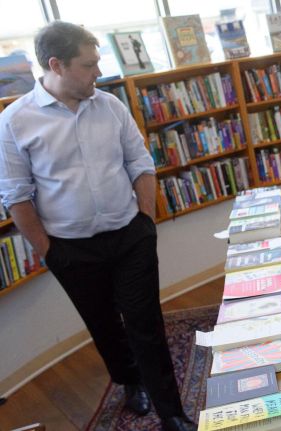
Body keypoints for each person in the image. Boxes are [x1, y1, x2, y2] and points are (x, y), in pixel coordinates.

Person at [0, 22, 194, 431]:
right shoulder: (15, 121)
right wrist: (50, 252)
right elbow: (16, 196)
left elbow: (140, 164)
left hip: (129, 236)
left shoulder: (110, 106)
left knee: (146, 323)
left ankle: (172, 411)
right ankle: (129, 381)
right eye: (89, 65)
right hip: (71, 250)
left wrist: (145, 221)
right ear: (56, 64)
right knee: (103, 324)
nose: (98, 72)